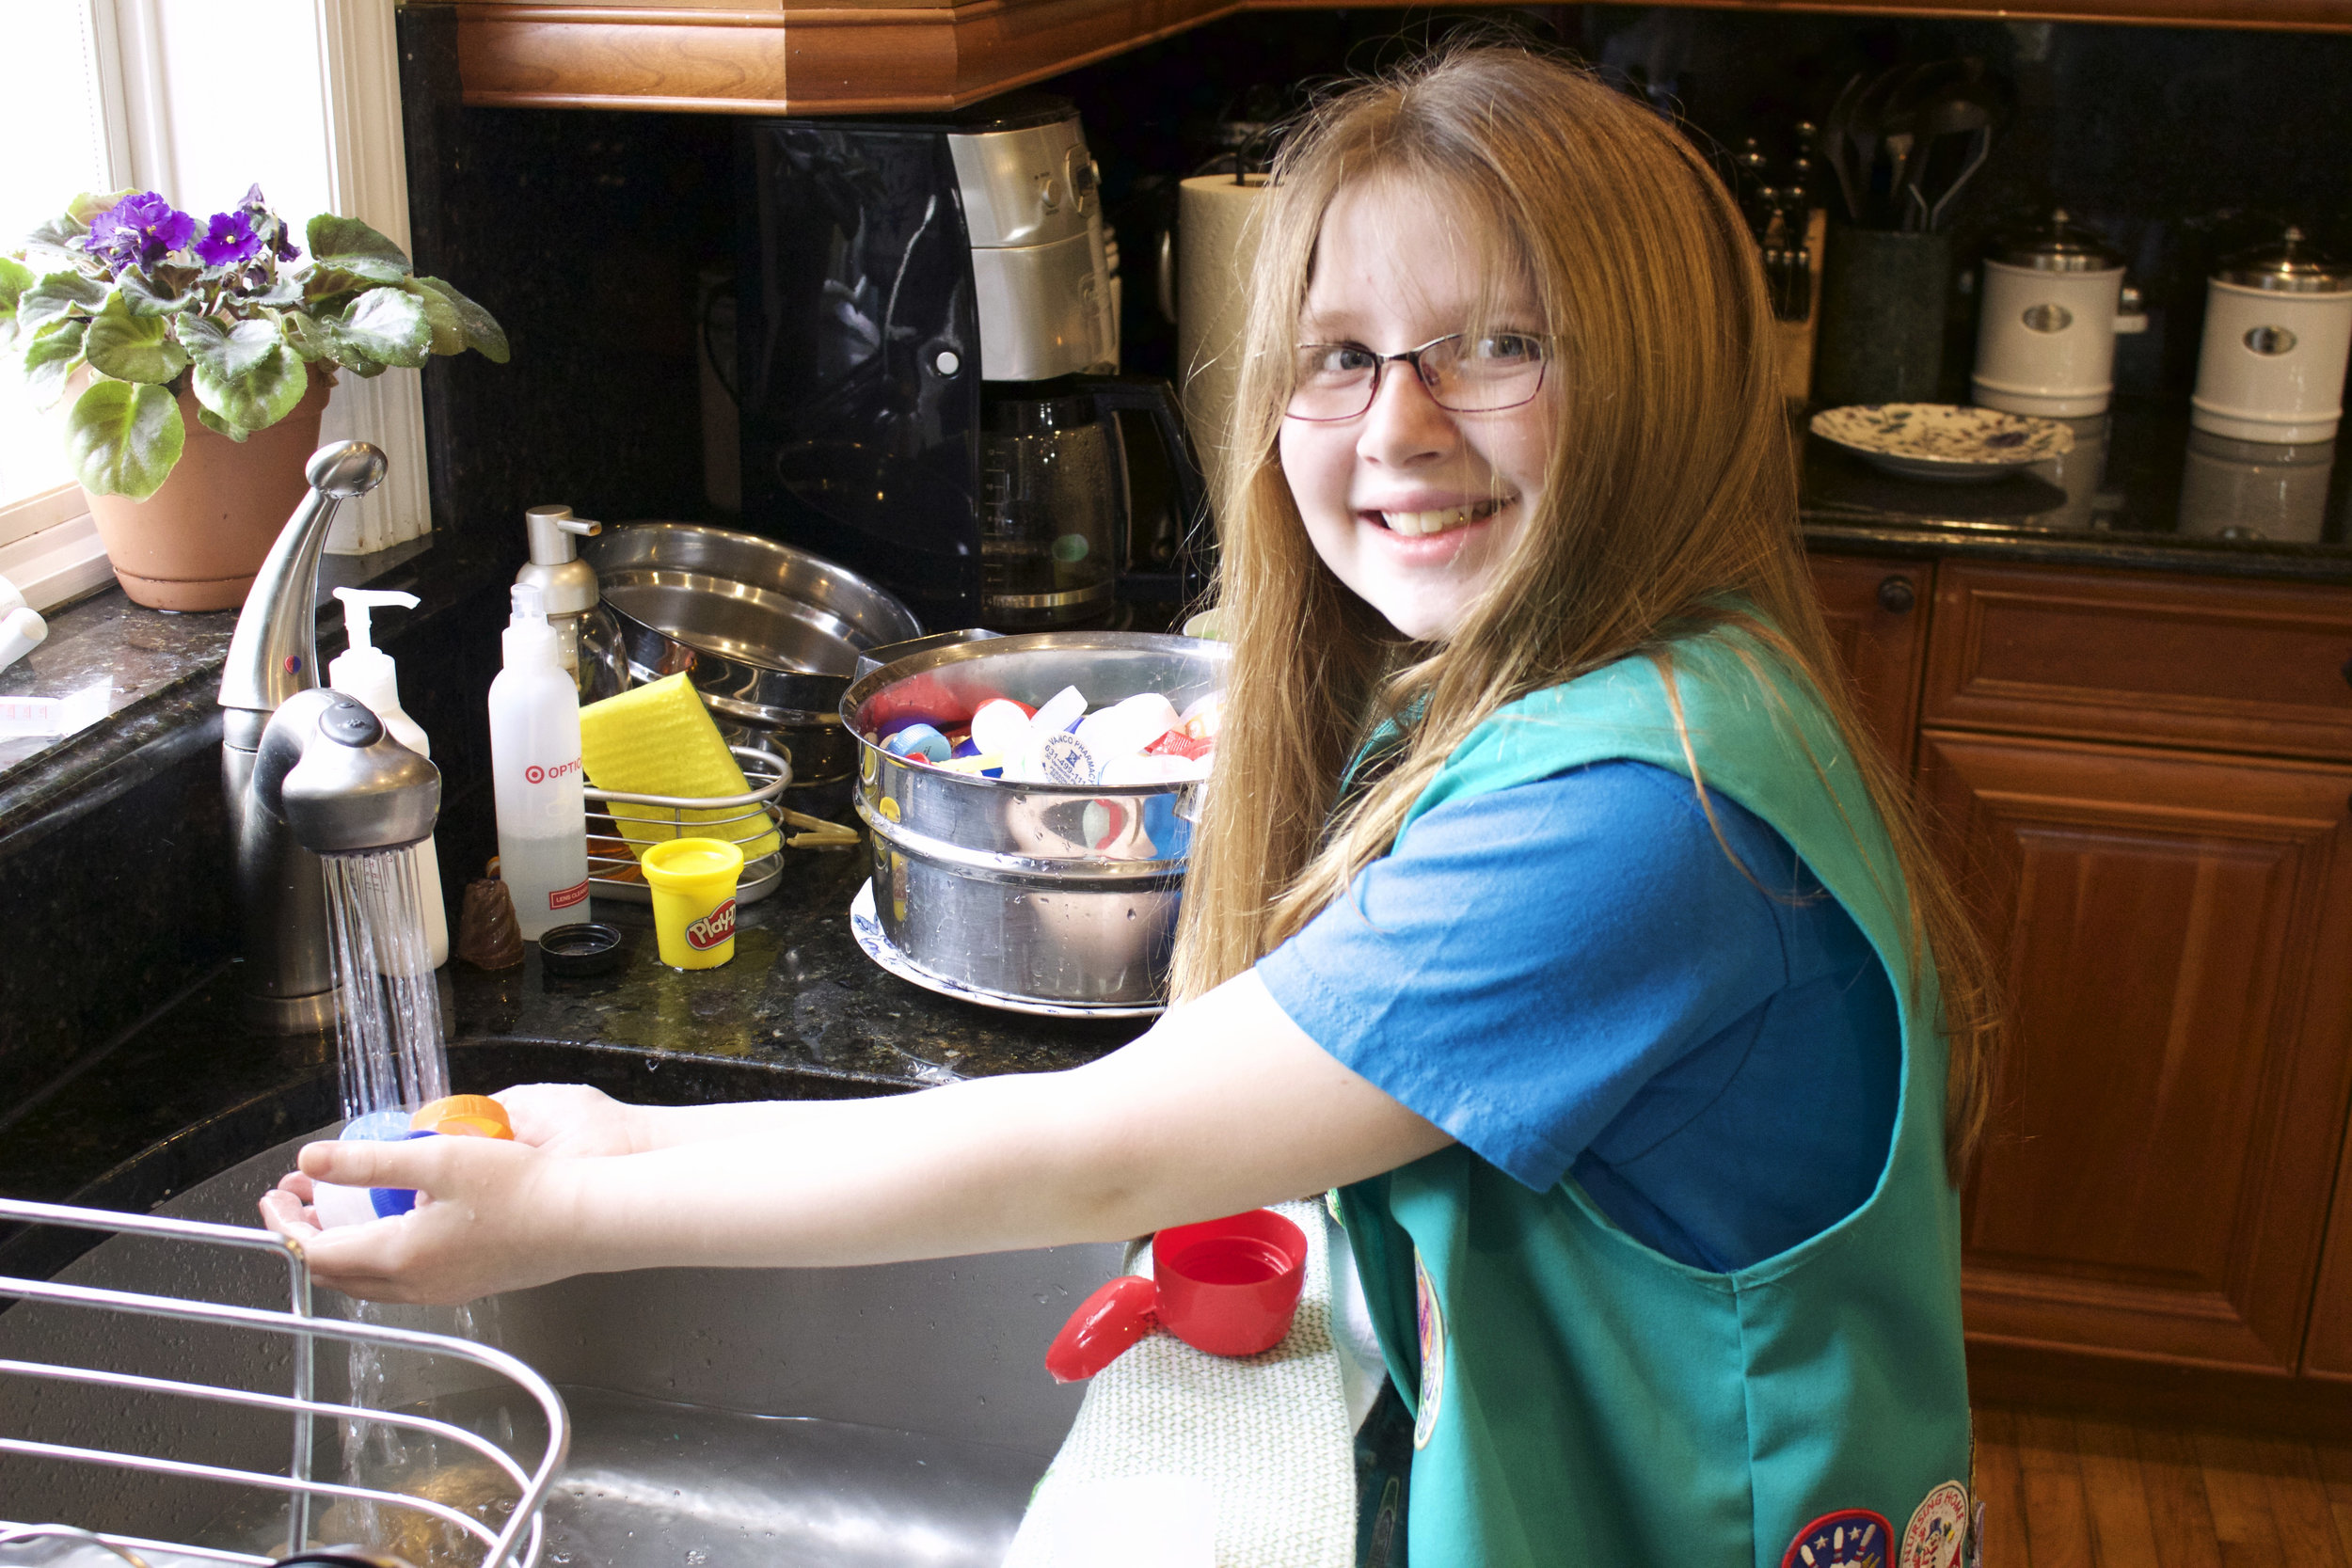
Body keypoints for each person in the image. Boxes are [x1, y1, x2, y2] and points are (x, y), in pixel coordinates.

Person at [263, 44, 1998, 1566]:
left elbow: (1101, 1140)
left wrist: (593, 1201)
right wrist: (608, 1137)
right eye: (1341, 353)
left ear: (1665, 379)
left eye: (1500, 345)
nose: (1397, 424)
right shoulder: (1637, 685)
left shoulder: (1639, 817)